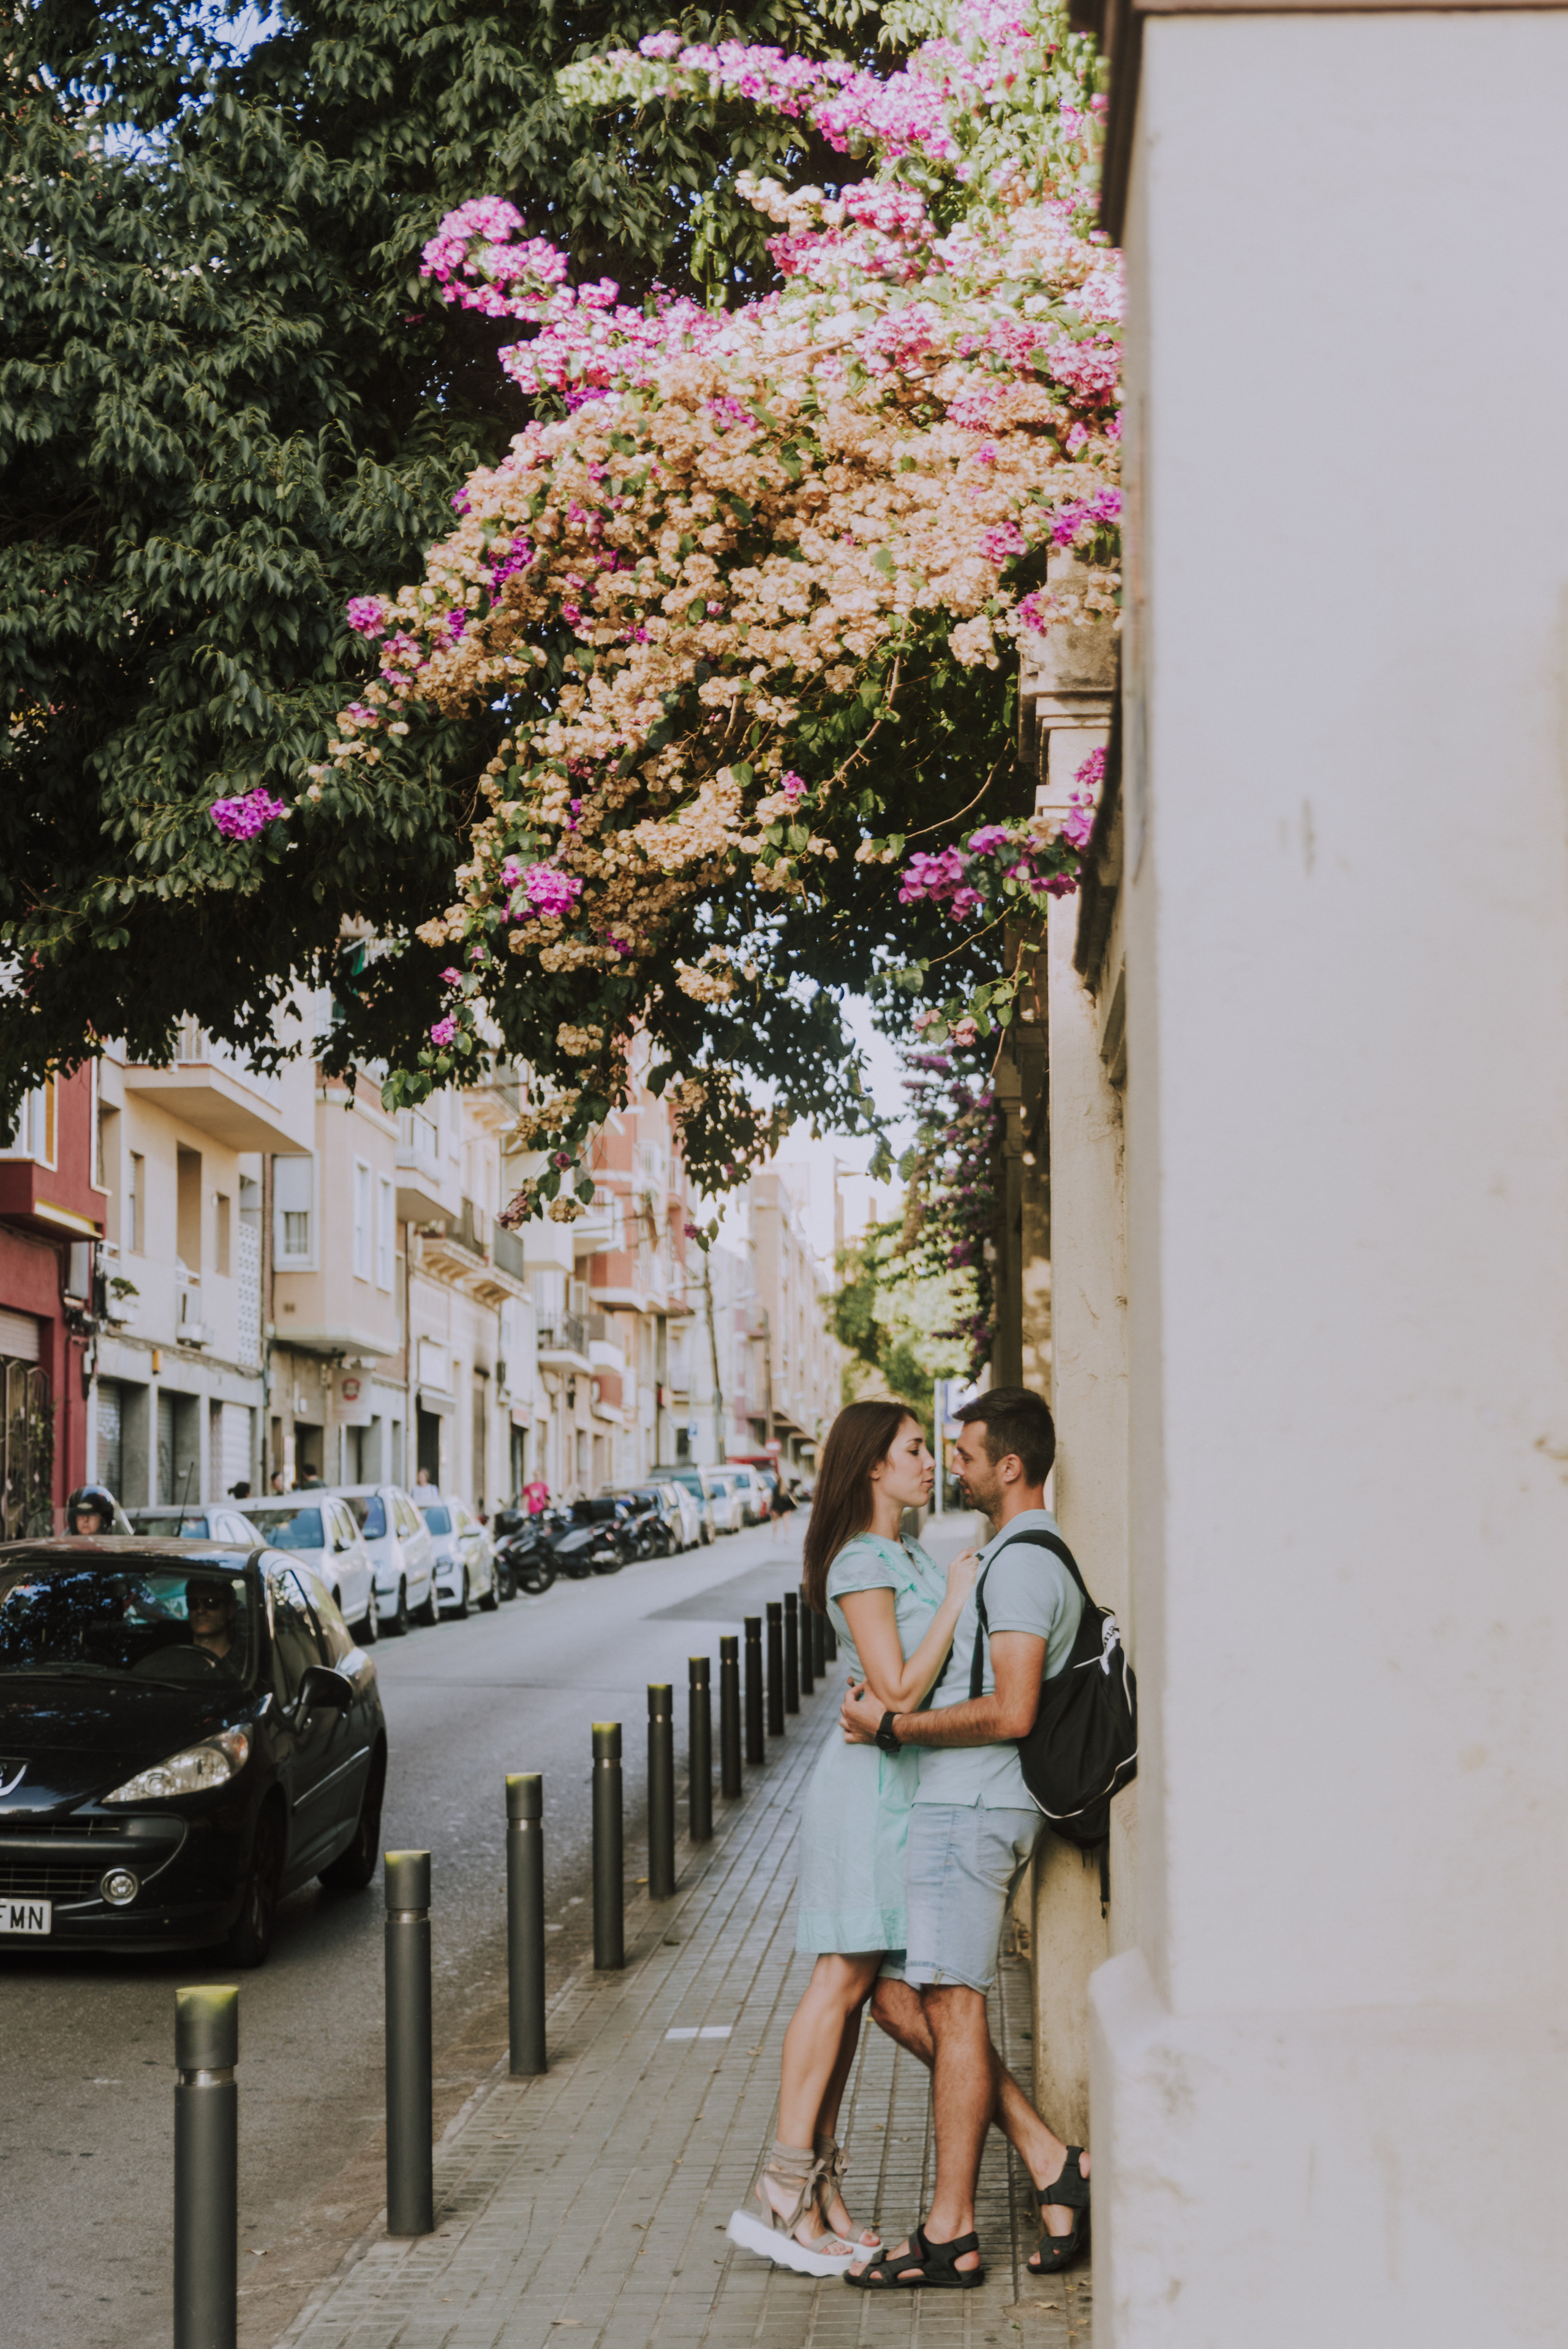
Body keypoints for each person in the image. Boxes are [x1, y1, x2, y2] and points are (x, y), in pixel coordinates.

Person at [840, 1388, 1091, 2291]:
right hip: (967, 1808)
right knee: (904, 2003)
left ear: (1010, 1466)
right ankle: (1049, 2154)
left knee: (950, 2003)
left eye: (966, 1452)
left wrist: (898, 1729)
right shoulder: (1006, 1556)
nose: (954, 1464)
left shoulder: (1022, 1565)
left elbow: (1013, 1709)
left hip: (973, 1808)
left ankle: (950, 2231)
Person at [727, 1399, 978, 2278]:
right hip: (863, 1796)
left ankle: (822, 2188)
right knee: (836, 1981)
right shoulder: (861, 1560)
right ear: (873, 1463)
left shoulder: (907, 1549)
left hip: (900, 1792)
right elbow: (899, 1687)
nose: (929, 1459)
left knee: (858, 1988)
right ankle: (783, 2184)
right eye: (914, 1448)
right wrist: (955, 1595)